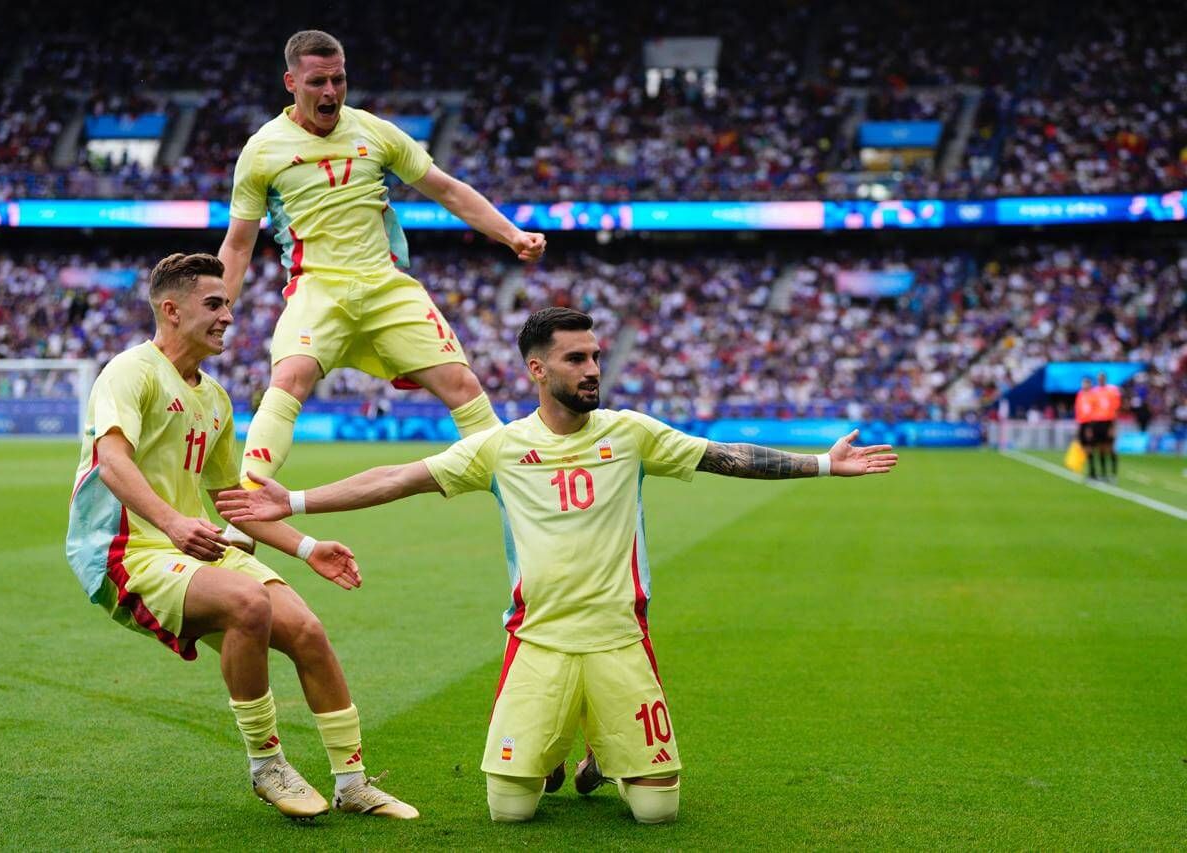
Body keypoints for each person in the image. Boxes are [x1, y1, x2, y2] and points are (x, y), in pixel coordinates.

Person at [214, 307, 898, 824]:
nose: (593, 368)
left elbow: (724, 455)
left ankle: (605, 751)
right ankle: (564, 748)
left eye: (595, 355)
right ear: (538, 371)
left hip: (618, 638)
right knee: (510, 809)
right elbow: (400, 477)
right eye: (576, 358)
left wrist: (821, 464)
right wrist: (295, 499)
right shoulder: (501, 448)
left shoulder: (631, 434)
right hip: (537, 638)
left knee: (657, 813)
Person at [64, 253, 417, 822]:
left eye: (229, 303)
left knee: (307, 631)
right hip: (124, 552)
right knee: (248, 604)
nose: (229, 315)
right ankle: (267, 764)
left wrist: (307, 547)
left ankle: (352, 781)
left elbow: (236, 500)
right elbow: (112, 461)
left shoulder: (216, 398)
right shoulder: (129, 370)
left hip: (190, 544)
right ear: (171, 310)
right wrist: (176, 522)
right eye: (214, 304)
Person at [217, 29, 546, 522]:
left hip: (385, 286)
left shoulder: (376, 132)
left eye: (339, 79)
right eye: (317, 82)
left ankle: (522, 497)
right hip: (317, 289)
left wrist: (511, 235)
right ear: (291, 82)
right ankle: (248, 509)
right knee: (289, 377)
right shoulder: (263, 150)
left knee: (461, 384)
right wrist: (218, 309)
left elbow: (448, 191)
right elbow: (239, 242)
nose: (330, 92)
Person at [1090, 371, 1121, 481]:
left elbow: (1116, 409)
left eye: (1102, 378)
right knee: (1100, 449)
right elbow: (1092, 409)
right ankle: (1103, 474)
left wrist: (1113, 426)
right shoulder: (1094, 392)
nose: (1100, 380)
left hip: (1108, 422)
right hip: (1097, 422)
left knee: (1111, 448)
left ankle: (1113, 474)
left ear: (1105, 379)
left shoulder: (1112, 391)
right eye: (1099, 378)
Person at [1074, 376, 1097, 479]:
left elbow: (1095, 410)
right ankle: (1090, 469)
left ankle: (1093, 471)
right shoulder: (1080, 394)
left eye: (1086, 383)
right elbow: (1078, 410)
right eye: (1083, 383)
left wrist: (1091, 426)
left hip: (1090, 423)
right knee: (1084, 446)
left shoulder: (1093, 395)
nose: (1084, 385)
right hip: (1082, 423)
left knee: (1090, 447)